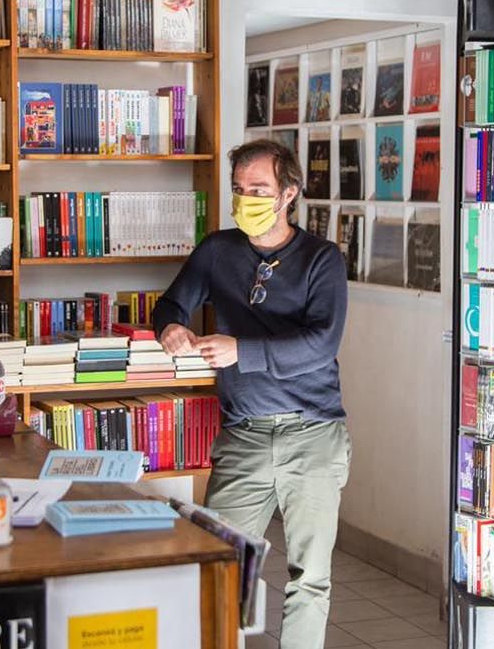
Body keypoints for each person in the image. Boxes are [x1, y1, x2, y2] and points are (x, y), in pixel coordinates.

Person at [153, 139, 349, 649]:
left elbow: (321, 344)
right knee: (219, 563)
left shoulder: (321, 259)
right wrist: (171, 326)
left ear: (289, 193)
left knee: (310, 578)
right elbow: (172, 302)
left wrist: (243, 350)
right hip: (243, 436)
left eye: (258, 189)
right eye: (239, 189)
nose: (245, 199)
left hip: (313, 435)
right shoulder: (218, 251)